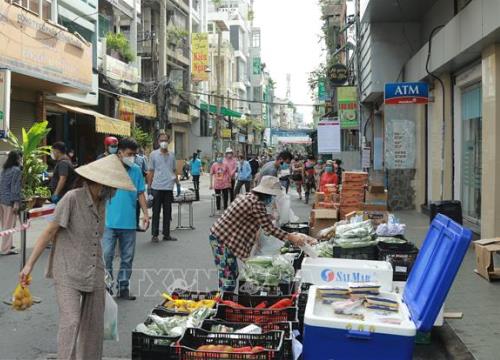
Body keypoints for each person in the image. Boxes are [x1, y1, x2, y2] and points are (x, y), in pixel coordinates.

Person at [19, 154, 136, 360]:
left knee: (93, 327)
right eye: (111, 186)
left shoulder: (102, 202)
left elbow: (95, 239)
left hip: (94, 270)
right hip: (67, 269)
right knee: (71, 321)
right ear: (97, 183)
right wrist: (29, 265)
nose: (114, 191)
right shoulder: (72, 198)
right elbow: (48, 232)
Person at [209, 176, 307, 291]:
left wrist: (268, 217)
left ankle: (226, 300)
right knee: (227, 277)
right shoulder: (256, 203)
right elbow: (269, 228)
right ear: (266, 194)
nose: (272, 198)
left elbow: (252, 217)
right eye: (272, 195)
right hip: (222, 238)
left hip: (224, 236)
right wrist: (291, 237)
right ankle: (222, 304)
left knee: (232, 272)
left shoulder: (249, 197)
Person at [103, 138, 150, 300]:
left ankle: (123, 287)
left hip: (129, 222)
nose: (132, 157)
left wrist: (145, 213)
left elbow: (140, 193)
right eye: (130, 154)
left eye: (134, 154)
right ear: (120, 152)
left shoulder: (136, 170)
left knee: (127, 257)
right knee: (106, 255)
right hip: (109, 222)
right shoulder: (109, 168)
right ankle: (107, 288)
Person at [148, 133, 179, 243]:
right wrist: (149, 187)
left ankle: (166, 234)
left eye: (165, 140)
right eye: (161, 140)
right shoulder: (153, 155)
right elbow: (150, 171)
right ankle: (154, 235)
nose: (163, 142)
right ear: (158, 142)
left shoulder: (172, 155)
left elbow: (174, 170)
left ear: (168, 141)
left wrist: (178, 184)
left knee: (167, 212)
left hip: (168, 188)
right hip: (156, 187)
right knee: (156, 212)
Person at [0, 150, 22, 255]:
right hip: (9, 201)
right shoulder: (16, 170)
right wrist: (16, 202)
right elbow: (15, 188)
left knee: (5, 224)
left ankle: (8, 245)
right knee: (9, 225)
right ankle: (5, 249)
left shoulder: (4, 170)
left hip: (2, 200)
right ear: (17, 158)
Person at [135, 147, 149, 231]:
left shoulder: (141, 159)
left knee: (137, 207)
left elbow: (145, 171)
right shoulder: (122, 160)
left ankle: (136, 225)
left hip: (138, 186)